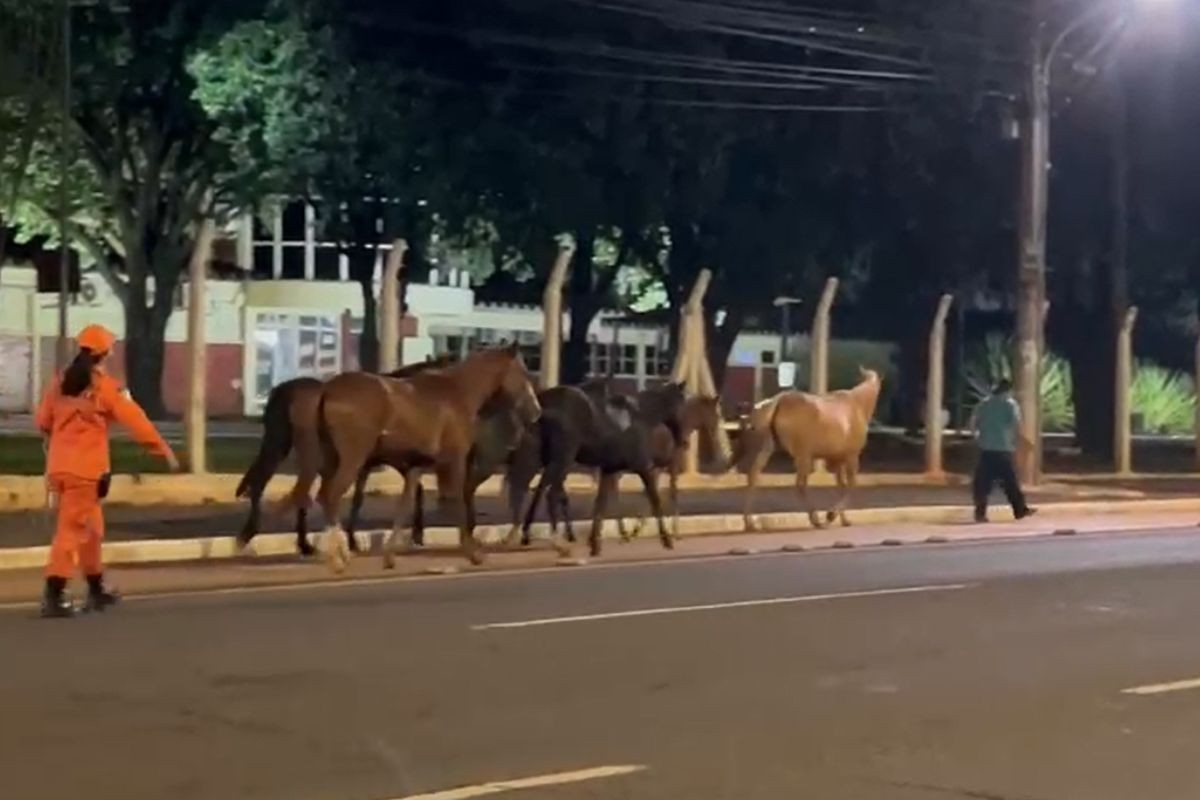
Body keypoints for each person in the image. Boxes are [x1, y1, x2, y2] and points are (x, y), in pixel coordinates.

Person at [36, 324, 179, 618]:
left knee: (92, 530)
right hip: (85, 472)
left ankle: (96, 587)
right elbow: (136, 420)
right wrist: (161, 449)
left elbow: (43, 421)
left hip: (60, 467)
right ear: (105, 353)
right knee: (71, 532)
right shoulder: (105, 388)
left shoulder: (60, 383)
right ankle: (54, 594)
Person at [969, 378, 1036, 524]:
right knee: (1011, 483)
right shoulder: (1010, 404)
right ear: (1008, 390)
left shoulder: (984, 403)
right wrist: (1023, 442)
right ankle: (1020, 510)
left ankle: (980, 513)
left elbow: (973, 423)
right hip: (1004, 449)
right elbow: (1017, 425)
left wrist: (977, 438)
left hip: (986, 449)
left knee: (982, 484)